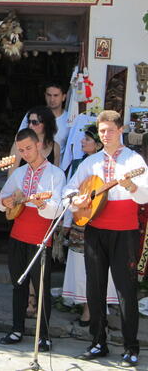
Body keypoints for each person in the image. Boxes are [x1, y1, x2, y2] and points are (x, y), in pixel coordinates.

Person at [65, 110, 148, 367]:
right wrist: (74, 200)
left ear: (120, 130)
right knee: (95, 287)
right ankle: (98, 342)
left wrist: (131, 186)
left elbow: (144, 196)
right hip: (95, 230)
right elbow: (69, 189)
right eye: (102, 131)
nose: (106, 135)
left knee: (126, 290)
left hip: (124, 232)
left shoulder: (134, 161)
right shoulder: (90, 162)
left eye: (110, 130)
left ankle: (130, 347)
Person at [0, 128, 65, 352]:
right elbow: (2, 198)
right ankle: (17, 329)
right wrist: (6, 201)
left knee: (42, 287)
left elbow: (58, 209)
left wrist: (43, 204)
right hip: (17, 236)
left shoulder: (56, 174)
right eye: (21, 150)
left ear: (38, 145)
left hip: (40, 238)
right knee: (18, 285)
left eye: (28, 148)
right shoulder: (18, 173)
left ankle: (43, 335)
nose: (25, 153)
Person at [61, 125, 118, 326]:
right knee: (80, 265)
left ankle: (98, 308)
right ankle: (86, 307)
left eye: (87, 139)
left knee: (101, 264)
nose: (83, 142)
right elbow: (70, 192)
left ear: (98, 144)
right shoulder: (78, 164)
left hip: (102, 219)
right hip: (80, 220)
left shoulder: (108, 165)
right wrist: (67, 222)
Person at [18, 82, 69, 156]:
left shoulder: (70, 120)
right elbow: (19, 140)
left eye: (56, 95)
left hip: (58, 165)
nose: (52, 99)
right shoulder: (32, 115)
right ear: (45, 95)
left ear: (64, 97)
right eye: (49, 95)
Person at [11, 106, 60, 173]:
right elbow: (12, 173)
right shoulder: (19, 143)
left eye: (35, 122)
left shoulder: (55, 147)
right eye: (29, 122)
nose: (30, 125)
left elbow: (55, 174)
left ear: (46, 124)